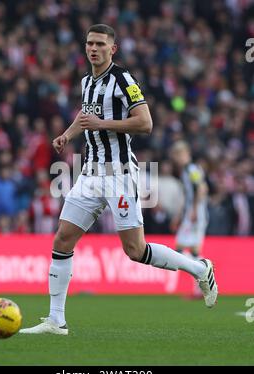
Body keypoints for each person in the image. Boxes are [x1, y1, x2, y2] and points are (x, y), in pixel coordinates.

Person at [20, 24, 218, 335]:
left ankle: (199, 268)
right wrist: (67, 135)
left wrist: (103, 123)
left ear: (113, 48)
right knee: (62, 239)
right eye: (89, 43)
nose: (93, 48)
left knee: (135, 250)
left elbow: (146, 123)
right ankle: (56, 320)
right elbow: (86, 116)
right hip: (90, 173)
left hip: (119, 174)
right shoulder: (87, 81)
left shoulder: (124, 80)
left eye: (100, 44)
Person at [170, 140, 209, 297]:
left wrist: (193, 210)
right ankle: (200, 287)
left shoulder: (191, 168)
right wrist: (179, 215)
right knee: (192, 251)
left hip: (195, 215)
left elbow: (202, 188)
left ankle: (204, 276)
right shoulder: (186, 170)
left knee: (180, 249)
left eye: (176, 155)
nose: (175, 159)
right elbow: (189, 195)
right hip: (191, 214)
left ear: (183, 153)